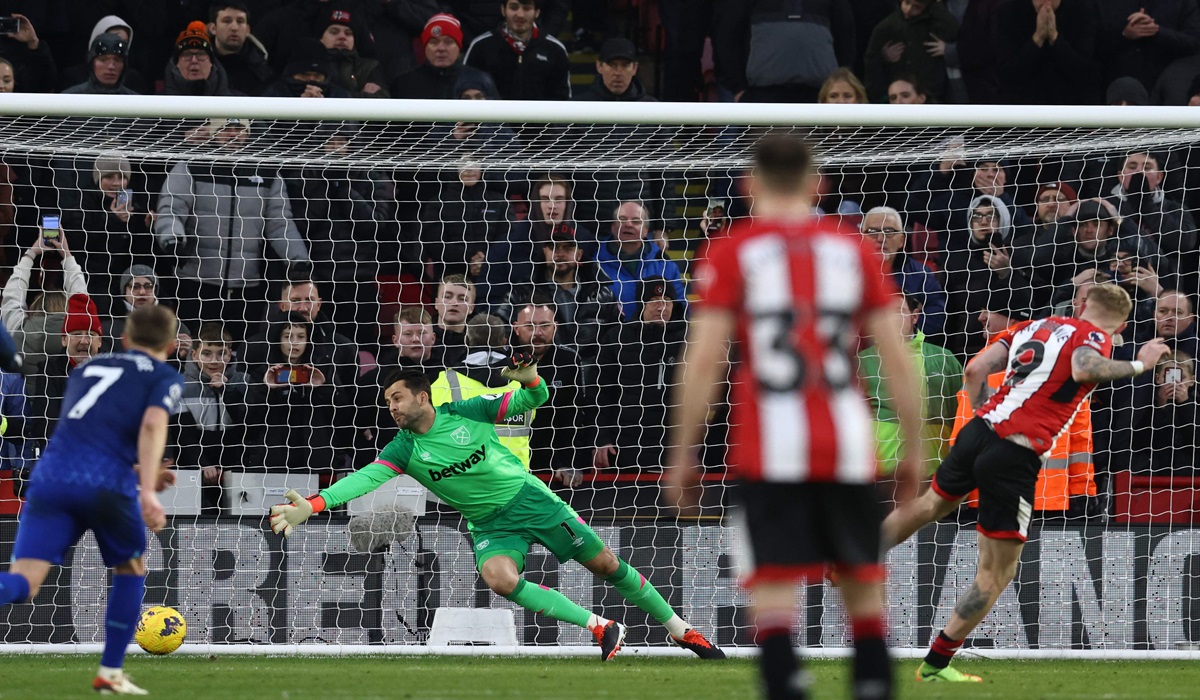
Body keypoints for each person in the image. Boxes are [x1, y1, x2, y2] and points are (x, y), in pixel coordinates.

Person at [666, 134, 923, 700]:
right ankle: (873, 683)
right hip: (849, 443)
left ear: (749, 185)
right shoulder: (854, 250)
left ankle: (786, 681)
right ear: (817, 186)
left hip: (766, 447)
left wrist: (683, 451)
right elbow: (898, 358)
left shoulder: (730, 250)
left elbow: (705, 359)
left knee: (775, 582)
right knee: (861, 579)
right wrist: (913, 447)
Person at [269, 363, 726, 661]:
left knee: (606, 564)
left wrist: (527, 379)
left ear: (422, 397)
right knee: (500, 579)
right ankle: (601, 627)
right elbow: (365, 478)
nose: (390, 407)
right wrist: (313, 504)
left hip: (531, 501)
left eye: (396, 397)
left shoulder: (466, 411)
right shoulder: (404, 448)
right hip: (489, 524)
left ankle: (680, 629)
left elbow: (532, 400)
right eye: (387, 401)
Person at [880, 283, 1170, 681]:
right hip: (1013, 454)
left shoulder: (1036, 325)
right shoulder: (1095, 336)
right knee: (996, 574)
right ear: (1120, 323)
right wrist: (1141, 363)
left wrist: (990, 418)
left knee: (933, 504)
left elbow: (975, 369)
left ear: (1082, 305)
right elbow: (1085, 367)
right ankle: (935, 664)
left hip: (979, 430)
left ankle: (855, 558)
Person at [0, 304, 183, 694]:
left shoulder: (84, 370)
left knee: (23, 585)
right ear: (170, 346)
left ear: (125, 339)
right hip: (105, 484)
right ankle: (110, 672)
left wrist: (142, 473)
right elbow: (152, 425)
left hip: (49, 479)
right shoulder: (165, 376)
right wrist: (147, 488)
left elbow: (87, 439)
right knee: (131, 569)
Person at [463, 0, 571, 101]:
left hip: (542, 121)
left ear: (537, 12)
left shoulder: (555, 50)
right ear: (503, 10)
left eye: (527, 8)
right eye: (514, 8)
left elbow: (563, 99)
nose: (520, 14)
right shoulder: (480, 46)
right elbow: (465, 91)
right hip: (494, 121)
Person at [865, 0, 960, 103]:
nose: (909, 9)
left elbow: (955, 33)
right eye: (907, 2)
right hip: (895, 95)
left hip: (931, 94)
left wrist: (936, 5)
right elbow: (871, 63)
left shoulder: (935, 24)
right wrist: (883, 57)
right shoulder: (886, 27)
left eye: (916, 7)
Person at [315, 6, 389, 98]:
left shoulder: (369, 68)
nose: (342, 37)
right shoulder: (312, 65)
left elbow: (380, 100)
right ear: (321, 39)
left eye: (348, 33)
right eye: (334, 32)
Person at [209, 2, 275, 96]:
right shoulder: (197, 64)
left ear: (247, 29)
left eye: (240, 21)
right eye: (227, 21)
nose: (234, 28)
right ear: (213, 28)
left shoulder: (263, 72)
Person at [163, 21, 236, 96]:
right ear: (176, 63)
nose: (194, 60)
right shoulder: (155, 104)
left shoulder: (239, 104)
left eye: (201, 54)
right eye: (187, 55)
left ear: (211, 63)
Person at [574, 37, 656, 103]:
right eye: (612, 65)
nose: (618, 73)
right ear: (599, 66)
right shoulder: (576, 109)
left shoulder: (654, 110)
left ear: (635, 68)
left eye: (625, 65)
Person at [62, 32, 138, 95]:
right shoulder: (68, 99)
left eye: (117, 60)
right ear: (92, 63)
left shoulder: (137, 103)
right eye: (103, 60)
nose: (111, 66)